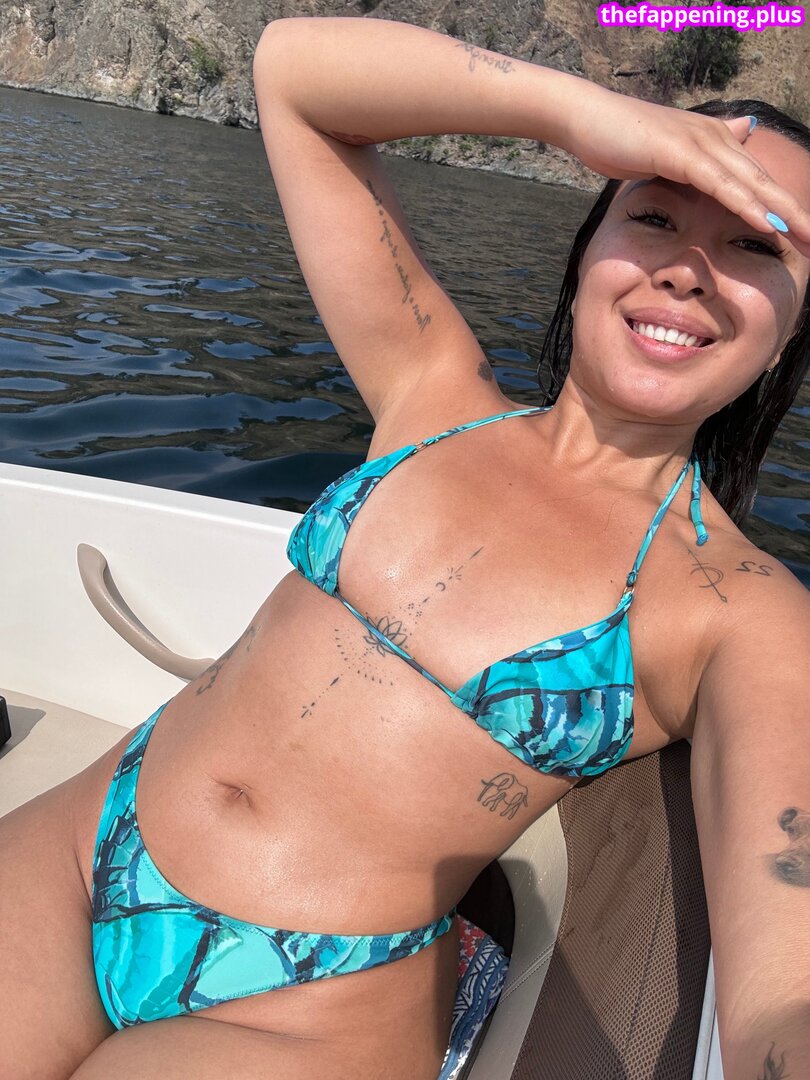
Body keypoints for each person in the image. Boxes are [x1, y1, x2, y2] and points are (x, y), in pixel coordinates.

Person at [1, 14, 809, 1080]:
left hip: (303, 1007)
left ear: (793, 329)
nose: (689, 269)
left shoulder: (737, 607)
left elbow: (784, 988)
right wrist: (584, 116)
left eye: (756, 242)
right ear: (588, 252)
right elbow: (294, 76)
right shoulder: (433, 395)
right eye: (655, 214)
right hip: (81, 851)